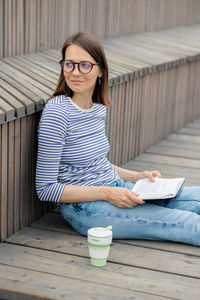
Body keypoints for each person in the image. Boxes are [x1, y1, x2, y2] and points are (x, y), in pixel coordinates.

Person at [36, 32, 200, 246]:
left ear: (101, 70)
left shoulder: (98, 109)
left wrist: (137, 176)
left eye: (85, 65)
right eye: (69, 64)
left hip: (116, 187)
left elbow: (96, 163)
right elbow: (46, 188)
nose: (75, 72)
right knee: (189, 223)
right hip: (85, 208)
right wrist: (107, 193)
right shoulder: (57, 113)